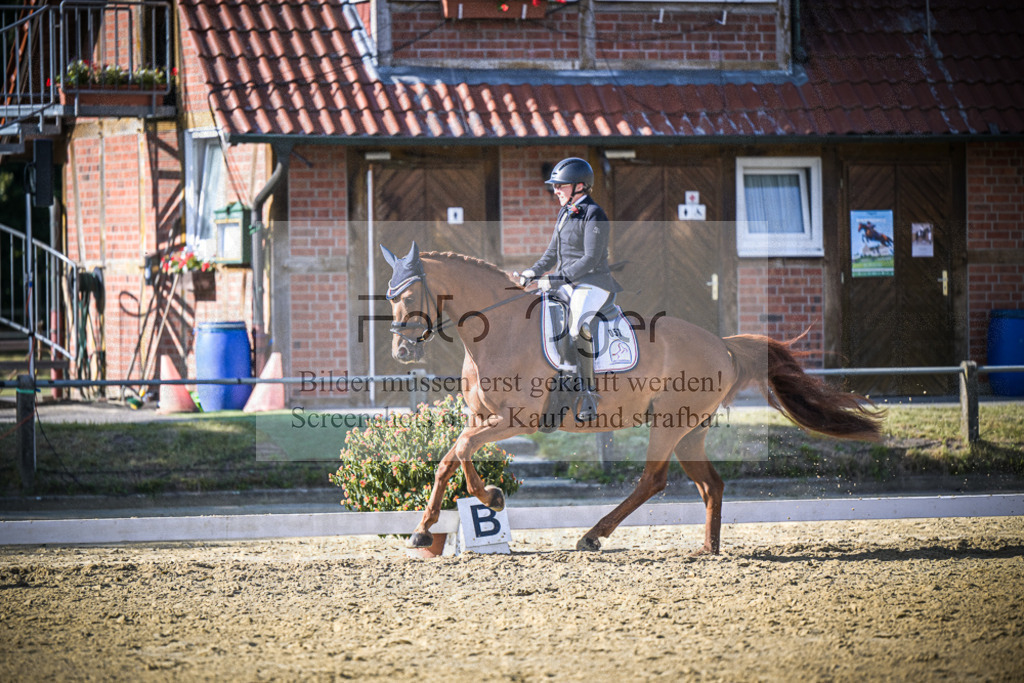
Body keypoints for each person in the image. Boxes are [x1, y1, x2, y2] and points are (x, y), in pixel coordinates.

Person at [519, 157, 622, 422]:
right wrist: (532, 271)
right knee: (538, 313)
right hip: (568, 283)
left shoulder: (594, 214)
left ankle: (588, 394)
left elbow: (590, 259)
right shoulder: (565, 212)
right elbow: (552, 252)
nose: (555, 191)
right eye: (555, 186)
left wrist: (557, 279)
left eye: (560, 186)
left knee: (577, 326)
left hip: (593, 283)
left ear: (579, 186)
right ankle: (557, 379)